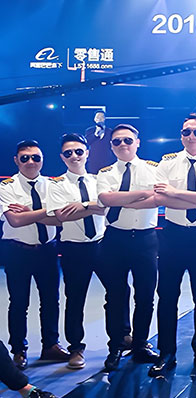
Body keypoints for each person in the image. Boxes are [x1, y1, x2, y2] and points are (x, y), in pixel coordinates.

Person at [147, 114, 196, 377]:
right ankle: (166, 353)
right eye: (186, 132)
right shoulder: (167, 163)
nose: (191, 136)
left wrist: (175, 194)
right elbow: (160, 198)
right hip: (173, 235)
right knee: (167, 295)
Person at [96, 124, 160, 371]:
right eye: (117, 141)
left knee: (145, 295)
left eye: (128, 140)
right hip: (115, 239)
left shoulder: (154, 169)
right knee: (114, 295)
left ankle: (140, 344)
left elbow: (158, 198)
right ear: (111, 146)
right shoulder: (105, 173)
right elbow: (107, 199)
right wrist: (142, 194)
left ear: (137, 142)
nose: (122, 144)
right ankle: (115, 346)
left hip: (145, 239)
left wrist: (123, 199)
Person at [0, 140, 67, 370]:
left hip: (48, 250)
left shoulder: (53, 185)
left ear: (42, 160)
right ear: (16, 160)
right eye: (25, 157)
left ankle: (51, 345)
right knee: (19, 302)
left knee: (51, 300)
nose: (31, 162)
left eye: (36, 157)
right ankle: (18, 350)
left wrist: (31, 212)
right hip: (17, 251)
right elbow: (15, 220)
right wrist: (46, 212)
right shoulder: (6, 187)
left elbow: (60, 220)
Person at [46, 133, 107, 370]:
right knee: (75, 299)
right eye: (68, 153)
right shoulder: (56, 184)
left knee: (118, 291)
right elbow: (61, 215)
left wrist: (81, 206)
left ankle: (122, 336)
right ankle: (76, 348)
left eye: (79, 151)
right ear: (62, 157)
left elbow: (107, 208)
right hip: (73, 248)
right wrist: (94, 206)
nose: (74, 156)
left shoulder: (99, 180)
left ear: (87, 153)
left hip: (102, 245)